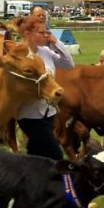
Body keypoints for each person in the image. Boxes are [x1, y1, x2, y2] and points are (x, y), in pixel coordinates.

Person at [14, 13, 76, 159]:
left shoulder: (46, 52)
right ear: (27, 33)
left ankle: (29, 180)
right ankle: (65, 182)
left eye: (47, 31)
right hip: (29, 114)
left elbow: (68, 65)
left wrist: (56, 43)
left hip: (49, 112)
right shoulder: (17, 55)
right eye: (41, 32)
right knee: (55, 154)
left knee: (36, 154)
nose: (46, 35)